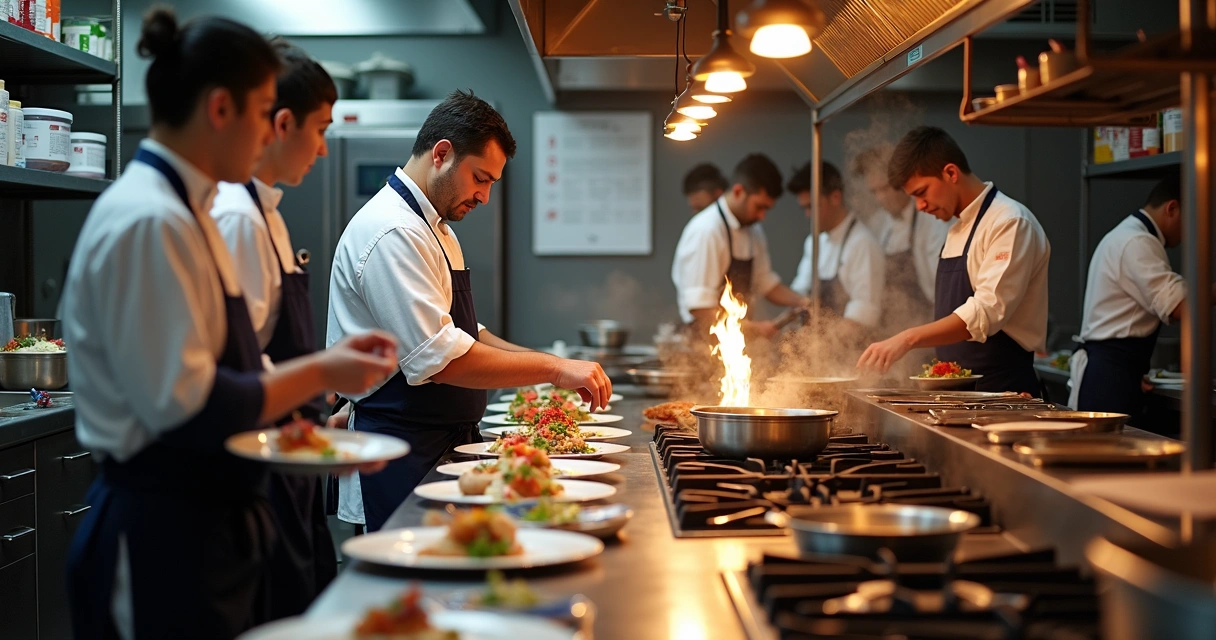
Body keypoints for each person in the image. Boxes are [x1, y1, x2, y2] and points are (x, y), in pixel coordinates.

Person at [62, 9, 398, 639]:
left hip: (206, 518)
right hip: (161, 528)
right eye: (265, 111)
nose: (272, 131)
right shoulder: (151, 220)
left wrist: (312, 427)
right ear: (221, 109)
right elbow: (190, 406)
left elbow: (234, 364)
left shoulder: (189, 212)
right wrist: (323, 371)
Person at [327, 90, 612, 532]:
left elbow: (466, 333)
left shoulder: (435, 228)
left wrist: (552, 365)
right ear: (442, 154)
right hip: (399, 452)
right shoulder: (393, 231)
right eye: (480, 178)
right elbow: (441, 359)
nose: (484, 196)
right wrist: (554, 369)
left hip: (437, 445)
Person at [210, 41, 340, 619]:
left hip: (290, 457)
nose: (324, 148)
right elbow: (235, 363)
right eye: (321, 130)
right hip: (260, 469)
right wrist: (323, 375)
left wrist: (318, 412)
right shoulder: (235, 218)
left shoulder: (269, 216)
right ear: (282, 124)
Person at [857, 126, 1050, 395]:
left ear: (950, 173)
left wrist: (907, 338)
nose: (920, 206)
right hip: (956, 391)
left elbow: (986, 311)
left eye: (922, 192)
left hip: (1000, 391)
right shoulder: (956, 230)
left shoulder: (1009, 222)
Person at [1069, 175, 1201, 416]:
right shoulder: (1137, 241)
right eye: (1191, 220)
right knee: (1107, 441)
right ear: (1172, 208)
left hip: (1114, 372)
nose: (1190, 232)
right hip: (1109, 378)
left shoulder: (1126, 234)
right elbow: (1179, 306)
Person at [671, 153, 809, 337]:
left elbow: (765, 283)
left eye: (767, 209)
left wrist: (803, 302)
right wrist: (755, 329)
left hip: (736, 340)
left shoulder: (754, 231)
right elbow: (700, 309)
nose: (762, 216)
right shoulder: (707, 231)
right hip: (703, 343)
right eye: (759, 207)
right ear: (738, 191)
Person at [851, 145, 952, 330]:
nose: (880, 198)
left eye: (885, 188)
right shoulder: (877, 223)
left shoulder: (932, 221)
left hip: (927, 323)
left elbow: (944, 289)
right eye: (874, 191)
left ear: (902, 182)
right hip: (888, 326)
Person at [788, 161, 885, 347]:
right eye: (804, 208)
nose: (808, 214)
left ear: (835, 197)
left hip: (851, 353)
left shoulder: (862, 244)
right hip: (818, 351)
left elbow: (863, 314)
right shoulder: (813, 242)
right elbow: (799, 294)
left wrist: (820, 348)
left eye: (812, 206)